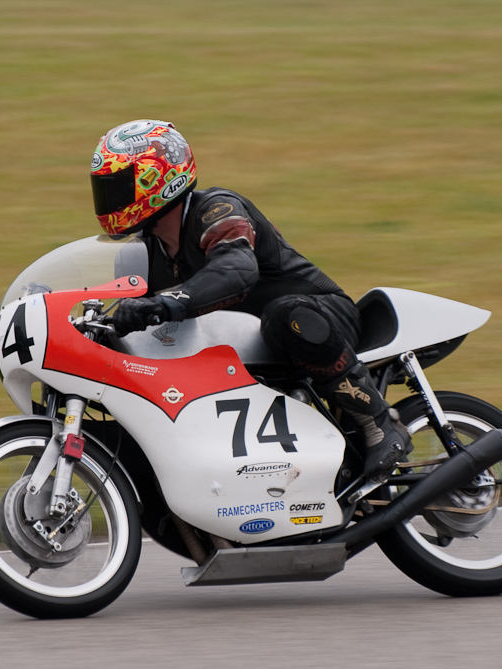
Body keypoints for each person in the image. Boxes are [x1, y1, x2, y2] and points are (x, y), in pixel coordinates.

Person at [89, 119, 411, 480]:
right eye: (104, 188)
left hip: (319, 317)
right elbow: (132, 320)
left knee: (284, 314)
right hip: (247, 349)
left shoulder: (219, 211)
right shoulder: (143, 253)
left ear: (156, 179)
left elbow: (237, 271)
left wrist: (165, 303)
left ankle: (379, 422)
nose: (109, 199)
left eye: (117, 186)